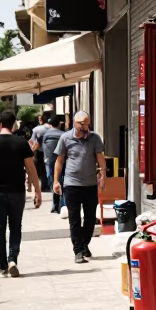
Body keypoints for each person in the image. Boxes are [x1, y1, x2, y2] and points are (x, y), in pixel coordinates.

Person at [0, 110, 42, 277]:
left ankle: (3, 267)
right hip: (17, 191)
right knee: (15, 226)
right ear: (14, 125)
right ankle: (13, 259)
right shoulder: (21, 143)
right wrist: (37, 191)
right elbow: (31, 169)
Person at [53, 111, 105, 264]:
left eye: (87, 124)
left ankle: (84, 243)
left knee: (90, 219)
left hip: (90, 185)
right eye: (82, 125)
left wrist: (103, 177)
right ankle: (78, 250)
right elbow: (59, 161)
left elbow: (101, 159)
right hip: (71, 185)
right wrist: (56, 181)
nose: (85, 128)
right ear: (75, 123)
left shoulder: (94, 138)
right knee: (74, 219)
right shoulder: (65, 138)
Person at [41, 114, 65, 212]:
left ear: (50, 124)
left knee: (53, 183)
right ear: (59, 124)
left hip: (49, 162)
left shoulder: (45, 135)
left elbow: (43, 149)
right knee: (63, 182)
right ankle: (63, 205)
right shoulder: (63, 134)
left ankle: (55, 206)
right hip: (62, 162)